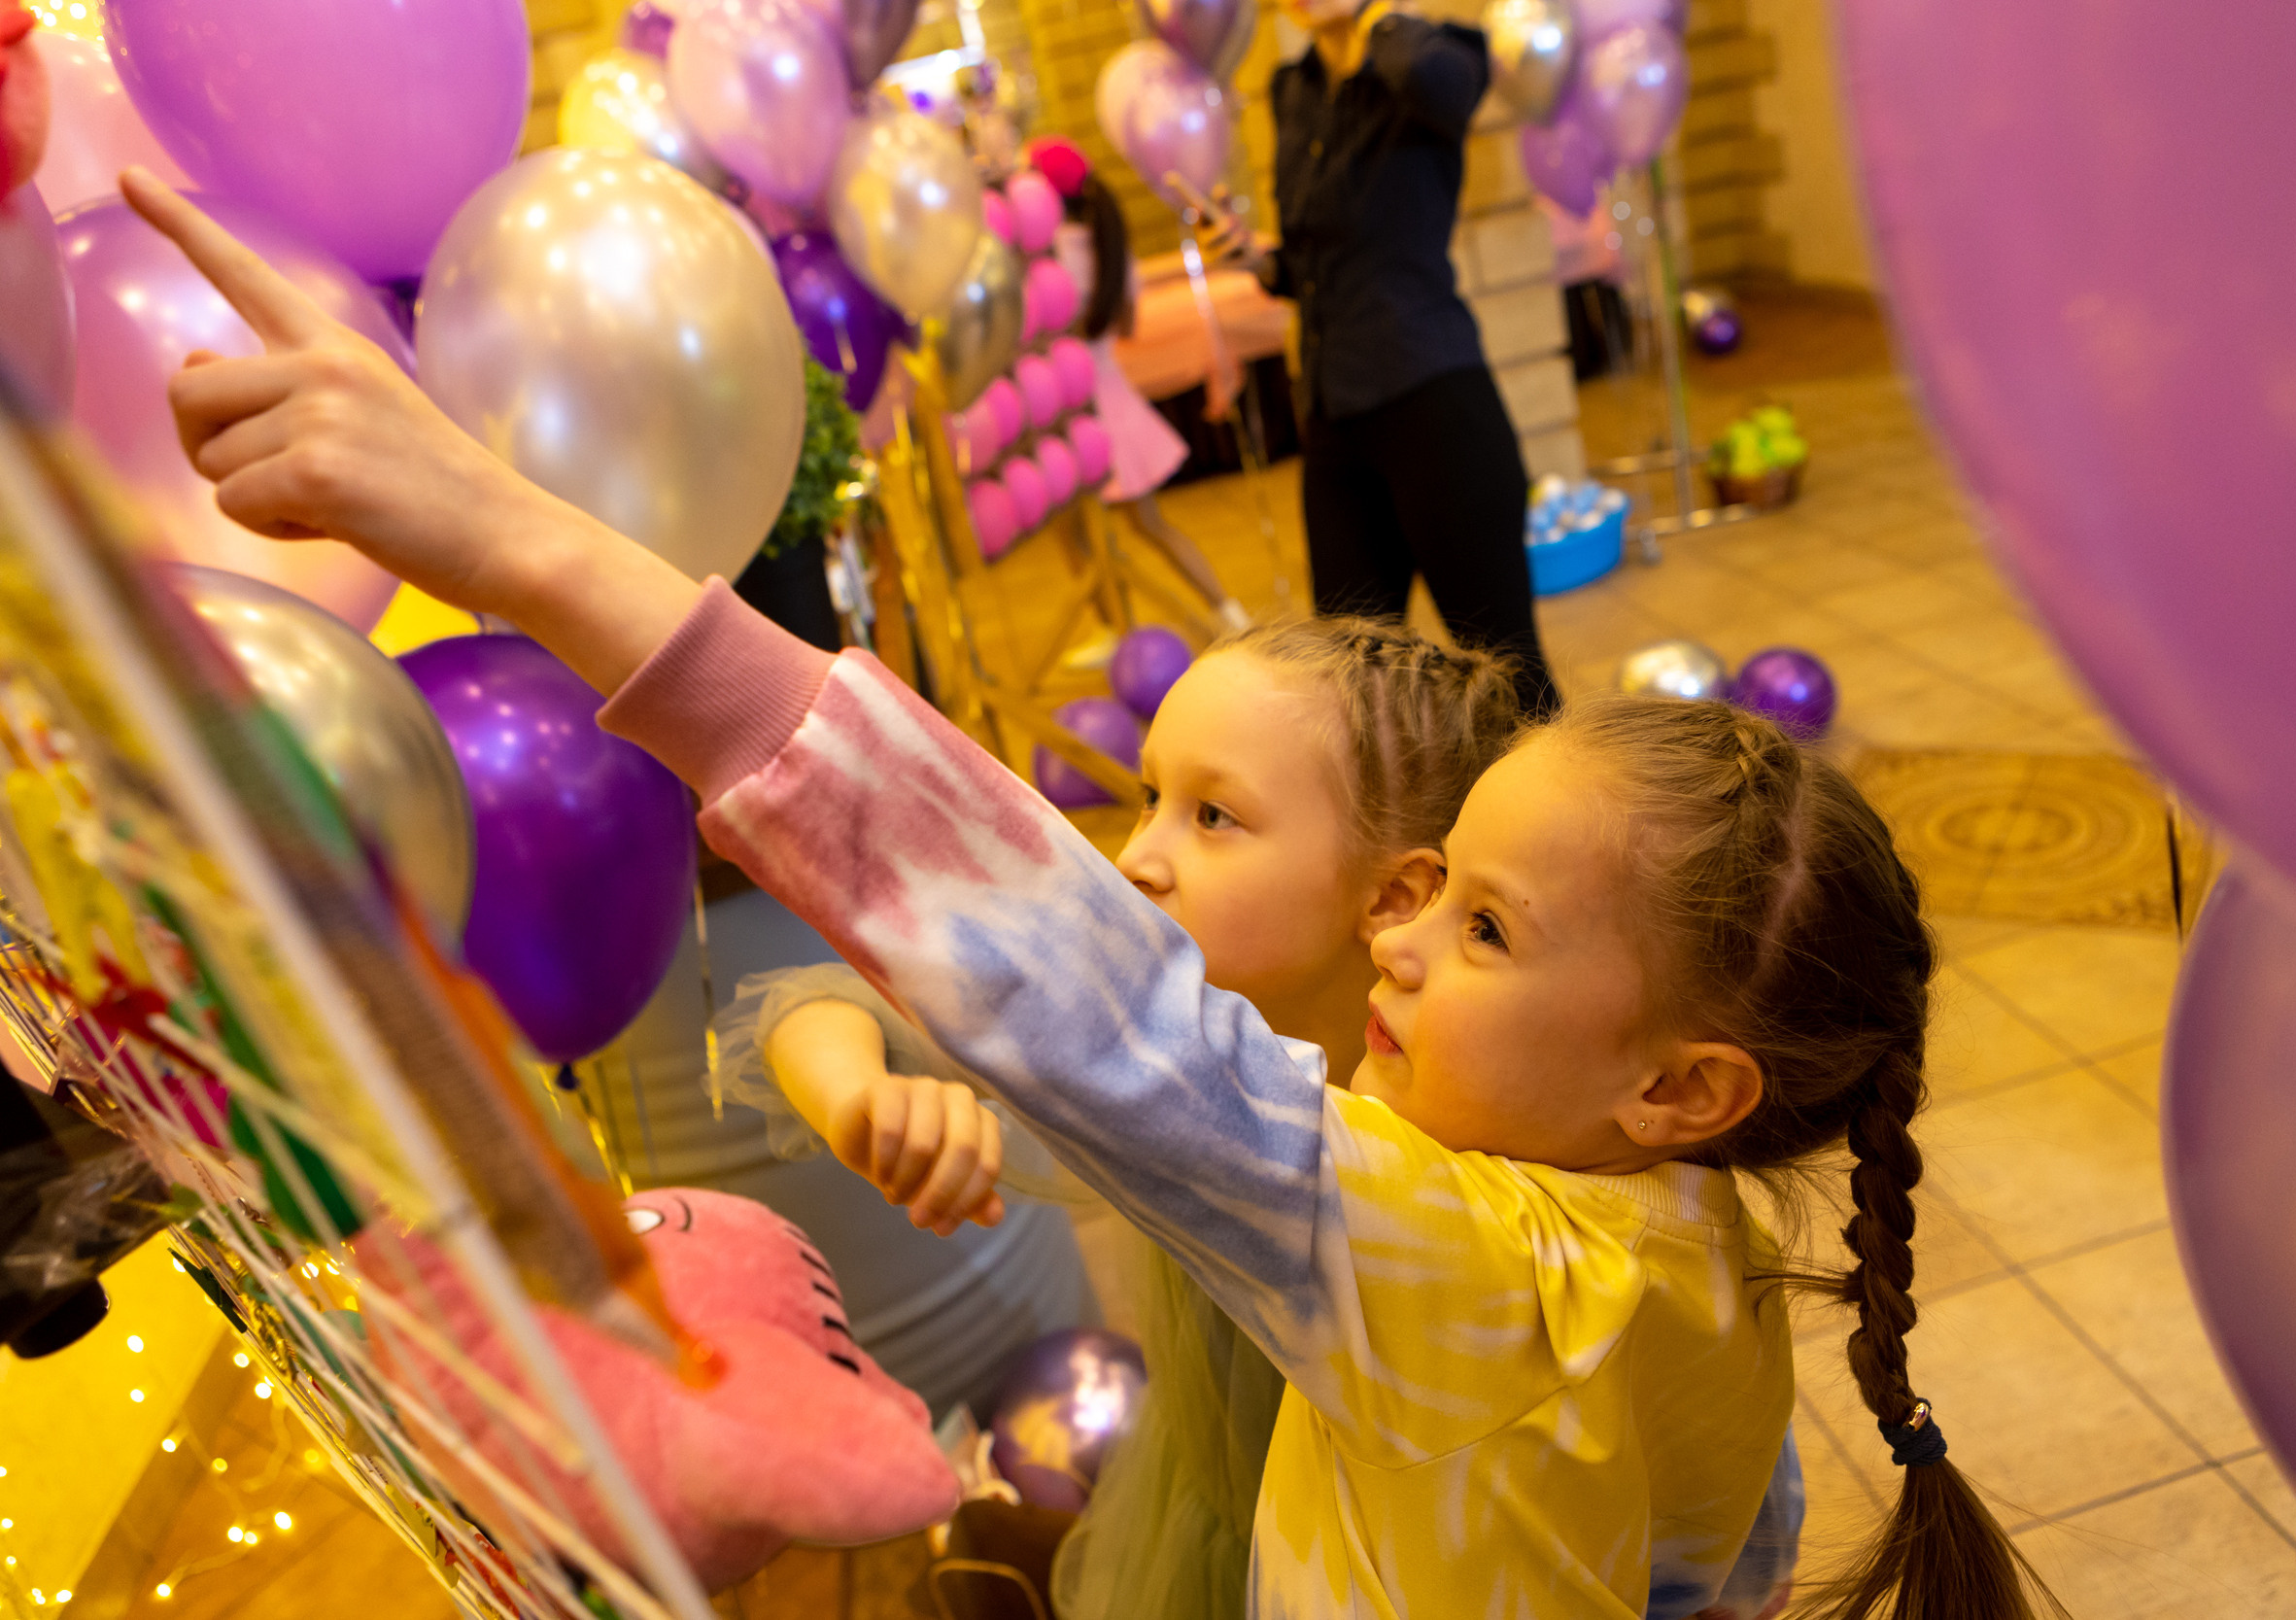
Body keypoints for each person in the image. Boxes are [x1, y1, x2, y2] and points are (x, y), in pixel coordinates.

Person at [127, 172, 2056, 1619]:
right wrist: (829, 1039)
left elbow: (1091, 998)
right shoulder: (1690, 1233)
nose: (1400, 938)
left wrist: (510, 538)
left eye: (1476, 925)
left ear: (1684, 1084)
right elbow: (1717, 1540)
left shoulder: (1463, 1258)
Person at [731, 619, 1530, 1620]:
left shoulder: (1455, 1142)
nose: (1137, 856)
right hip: (1217, 1516)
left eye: (1213, 816)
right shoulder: (1127, 1024)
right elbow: (816, 1001)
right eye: (1151, 796)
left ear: (1393, 895)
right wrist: (864, 1095)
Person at [1199, 0, 1560, 716]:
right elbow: (1315, 262)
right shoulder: (1293, 88)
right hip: (1335, 416)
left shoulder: (1434, 53)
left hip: (1434, 400)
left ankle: (1560, 825)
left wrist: (1376, 17)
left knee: (1507, 671)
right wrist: (1259, 259)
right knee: (1350, 683)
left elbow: (1447, 92)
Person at [1029, 135, 1252, 634]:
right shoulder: (1109, 244)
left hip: (1071, 410)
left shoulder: (1047, 257)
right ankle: (1231, 615)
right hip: (1115, 400)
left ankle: (1121, 636)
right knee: (1151, 525)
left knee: (1078, 537)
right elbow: (1126, 327)